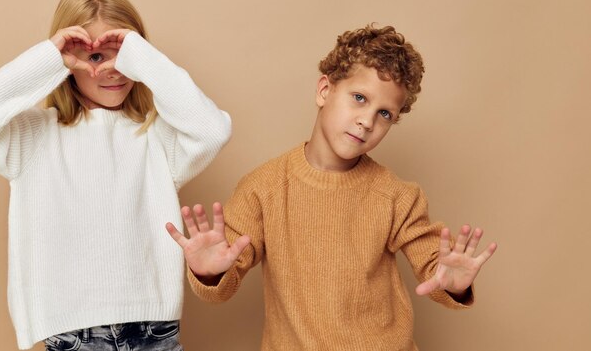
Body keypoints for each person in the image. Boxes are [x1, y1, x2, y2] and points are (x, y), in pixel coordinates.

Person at [167, 25, 497, 350]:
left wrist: (451, 283)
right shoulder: (263, 187)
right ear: (324, 90)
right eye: (359, 98)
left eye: (384, 113)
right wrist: (210, 274)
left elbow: (432, 263)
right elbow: (225, 278)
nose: (367, 121)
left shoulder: (397, 196)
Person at [0, 0, 231, 350]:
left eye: (121, 56)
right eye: (94, 58)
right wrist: (49, 59)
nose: (112, 71)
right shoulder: (32, 137)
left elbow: (213, 129)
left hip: (152, 327)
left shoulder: (157, 137)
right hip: (73, 331)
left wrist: (142, 56)